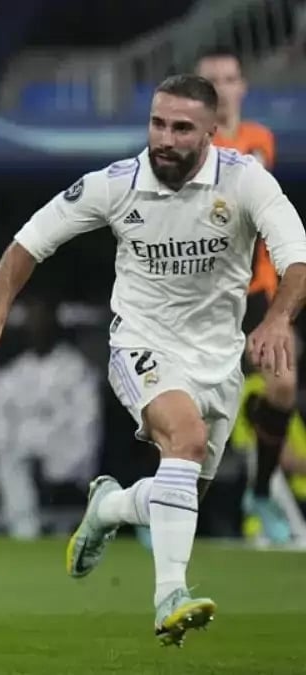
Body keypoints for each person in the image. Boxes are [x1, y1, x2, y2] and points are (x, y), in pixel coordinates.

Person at [0, 74, 306, 647]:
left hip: (218, 359)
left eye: (182, 128)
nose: (165, 137)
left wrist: (280, 316)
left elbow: (297, 257)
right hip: (142, 344)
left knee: (179, 492)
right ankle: (170, 599)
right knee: (182, 441)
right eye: (158, 123)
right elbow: (29, 242)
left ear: (211, 131)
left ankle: (109, 506)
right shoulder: (117, 184)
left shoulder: (244, 180)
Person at [196, 46, 294, 543]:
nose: (221, 87)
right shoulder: (185, 144)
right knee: (184, 410)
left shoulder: (259, 140)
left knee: (282, 387)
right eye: (210, 79)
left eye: (229, 78)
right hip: (201, 295)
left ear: (241, 87)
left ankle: (260, 490)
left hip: (254, 291)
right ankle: (158, 506)